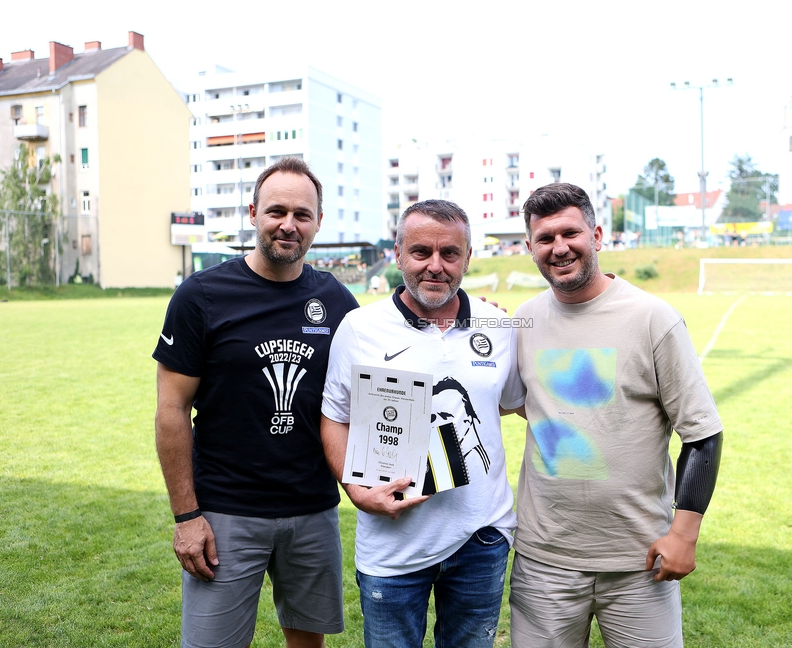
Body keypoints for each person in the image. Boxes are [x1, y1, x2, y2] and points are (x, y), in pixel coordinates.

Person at [153, 157, 358, 648]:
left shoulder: (335, 301)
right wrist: (186, 517)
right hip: (225, 513)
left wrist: (470, 319)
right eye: (277, 211)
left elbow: (388, 364)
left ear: (318, 223)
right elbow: (171, 410)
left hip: (312, 510)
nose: (289, 225)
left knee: (308, 644)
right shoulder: (202, 295)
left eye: (302, 214)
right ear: (253, 213)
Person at [509, 183, 724, 648]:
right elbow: (511, 398)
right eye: (544, 239)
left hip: (638, 560)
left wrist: (684, 535)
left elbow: (703, 433)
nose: (559, 247)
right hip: (544, 561)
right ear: (529, 248)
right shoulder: (522, 321)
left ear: (598, 235)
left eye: (571, 233)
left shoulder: (653, 317)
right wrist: (473, 322)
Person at [320, 199, 525, 648]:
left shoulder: (500, 324)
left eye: (450, 253)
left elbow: (512, 402)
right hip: (392, 546)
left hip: (480, 539)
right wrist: (356, 491)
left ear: (468, 258)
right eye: (421, 253)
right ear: (398, 254)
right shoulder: (359, 328)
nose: (436, 266)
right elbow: (334, 418)